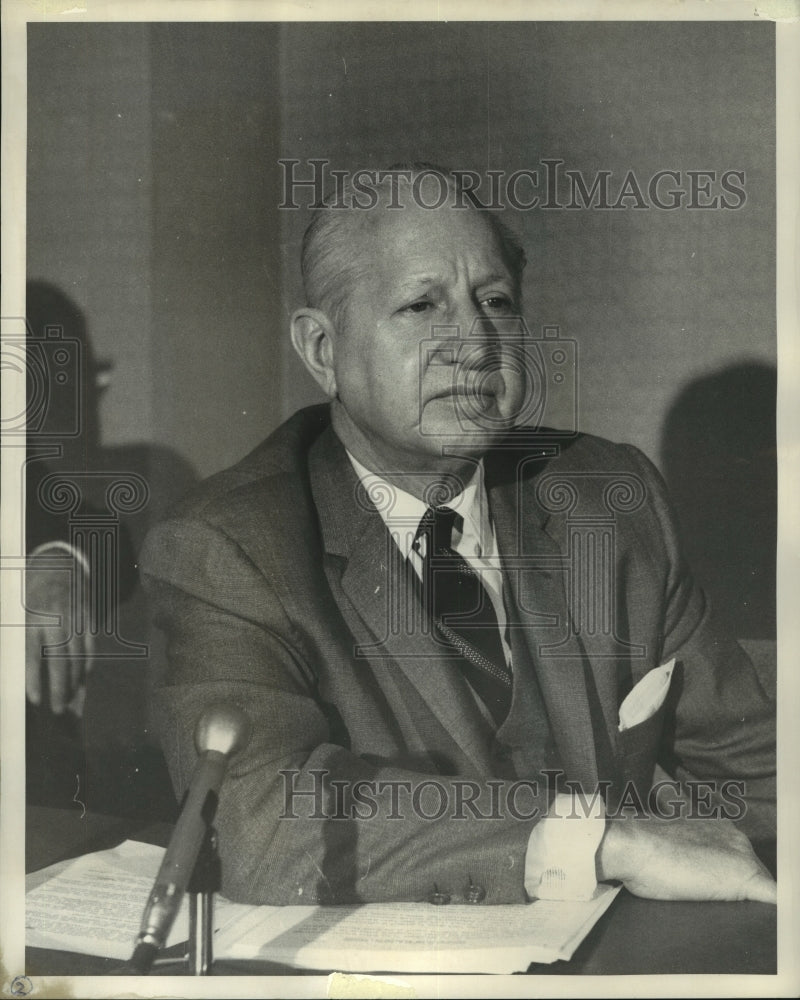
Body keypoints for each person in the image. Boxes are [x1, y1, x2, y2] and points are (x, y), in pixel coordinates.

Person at [140, 165, 776, 907]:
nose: (474, 343)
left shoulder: (608, 498)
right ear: (322, 351)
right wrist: (595, 842)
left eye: (496, 302)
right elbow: (257, 820)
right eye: (420, 306)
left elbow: (758, 771)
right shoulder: (226, 546)